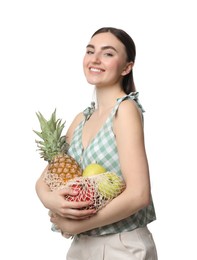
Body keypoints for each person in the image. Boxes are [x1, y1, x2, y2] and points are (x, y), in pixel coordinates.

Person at [35, 27, 158, 260]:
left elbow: (139, 194)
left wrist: (77, 225)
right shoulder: (82, 119)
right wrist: (52, 202)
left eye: (108, 53)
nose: (95, 59)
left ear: (126, 67)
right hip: (83, 246)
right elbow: (43, 181)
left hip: (121, 245)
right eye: (90, 51)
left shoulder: (125, 110)